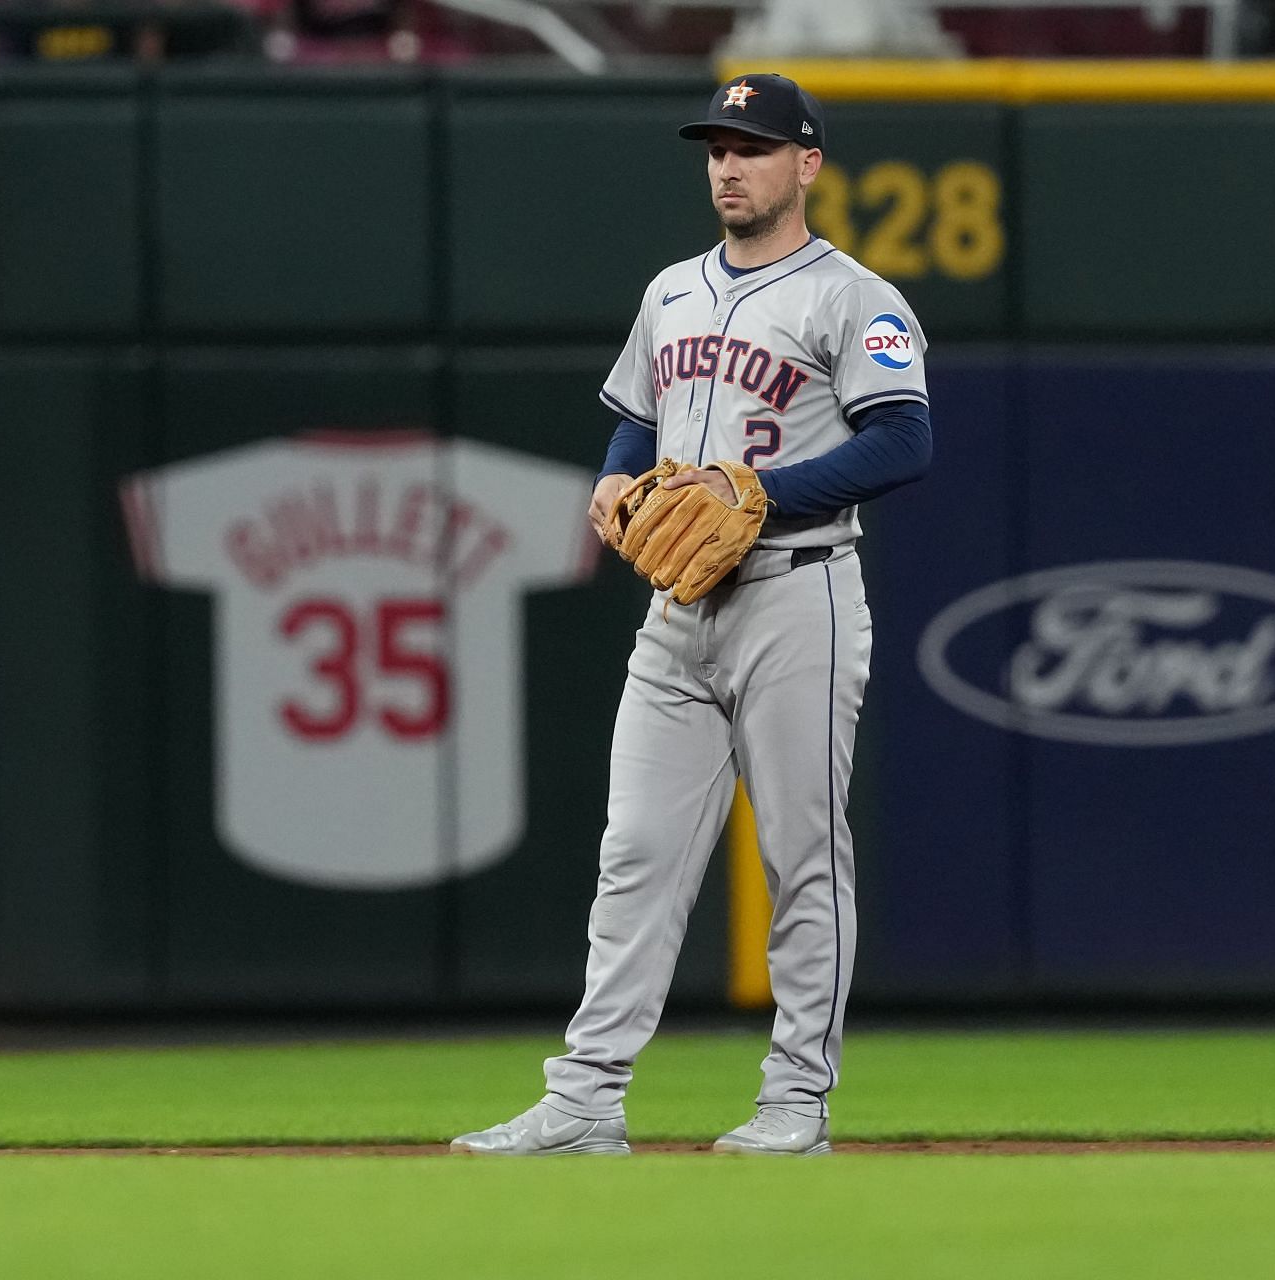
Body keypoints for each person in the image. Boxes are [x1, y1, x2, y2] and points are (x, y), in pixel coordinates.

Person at [451, 72, 931, 1157]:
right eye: (716, 146)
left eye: (753, 147)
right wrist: (620, 481)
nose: (728, 164)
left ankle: (795, 1103)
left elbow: (904, 442)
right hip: (680, 608)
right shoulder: (671, 290)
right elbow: (637, 418)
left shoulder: (852, 297)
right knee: (636, 851)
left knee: (805, 857)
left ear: (806, 164)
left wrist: (762, 495)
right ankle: (583, 1100)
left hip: (797, 594)